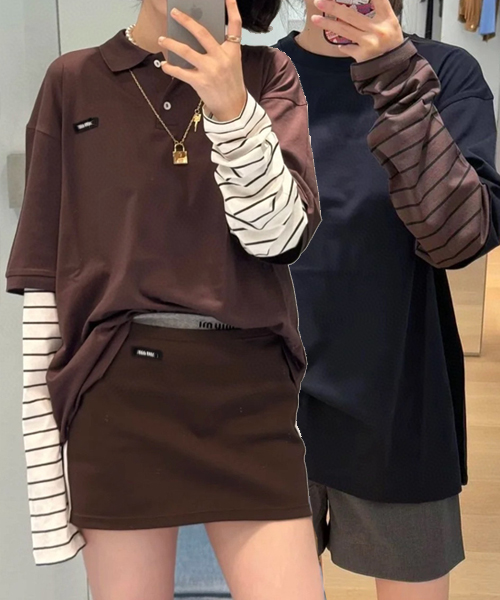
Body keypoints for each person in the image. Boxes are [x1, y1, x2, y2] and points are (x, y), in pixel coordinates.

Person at [5, 1, 326, 598]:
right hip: (118, 394)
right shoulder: (73, 81)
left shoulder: (267, 74)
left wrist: (232, 111)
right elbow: (46, 289)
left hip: (248, 393)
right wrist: (47, 499)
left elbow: (278, 239)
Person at [275, 0, 500, 598]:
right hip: (267, 402)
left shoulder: (444, 73)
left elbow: (459, 238)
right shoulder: (258, 79)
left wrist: (395, 76)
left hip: (400, 397)